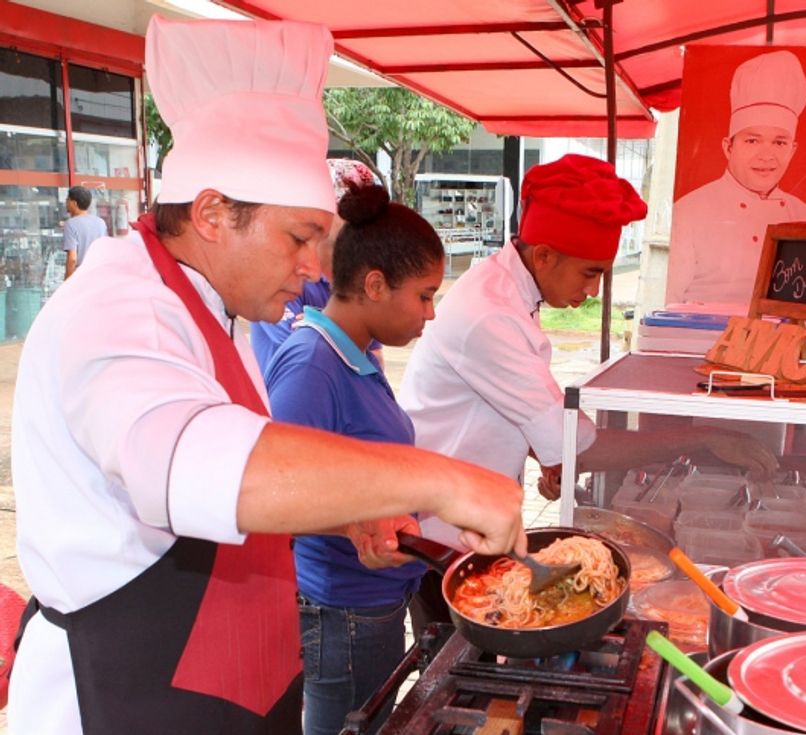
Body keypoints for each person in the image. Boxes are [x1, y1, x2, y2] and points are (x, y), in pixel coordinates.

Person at [9, 17, 525, 735]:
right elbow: (203, 463)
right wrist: (438, 477)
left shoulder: (217, 306)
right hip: (124, 697)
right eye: (300, 237)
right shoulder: (118, 309)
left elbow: (254, 470)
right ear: (216, 212)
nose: (315, 267)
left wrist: (348, 511)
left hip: (228, 687)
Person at [400, 154, 779, 515]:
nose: (595, 291)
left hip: (472, 502)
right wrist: (703, 438)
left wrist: (548, 454)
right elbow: (577, 447)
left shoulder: (508, 287)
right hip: (439, 525)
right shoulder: (490, 314)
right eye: (590, 273)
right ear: (545, 256)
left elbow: (524, 411)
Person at [263, 183, 440, 735]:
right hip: (341, 611)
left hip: (374, 602)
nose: (431, 314)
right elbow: (275, 494)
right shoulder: (312, 365)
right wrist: (356, 525)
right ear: (374, 285)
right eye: (425, 295)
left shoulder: (355, 353)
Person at [666, 50, 806, 307]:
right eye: (752, 140)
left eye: (779, 142)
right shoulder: (689, 212)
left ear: (793, 150)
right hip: (704, 343)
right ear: (728, 147)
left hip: (783, 344)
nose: (767, 155)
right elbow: (666, 304)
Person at [249, 158, 379, 373]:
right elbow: (308, 349)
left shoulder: (359, 273)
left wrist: (325, 326)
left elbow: (374, 359)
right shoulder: (280, 267)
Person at [62, 185, 108, 279]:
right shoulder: (101, 222)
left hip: (81, 277)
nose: (66, 202)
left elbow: (72, 259)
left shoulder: (70, 224)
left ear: (74, 203)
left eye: (68, 200)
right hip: (99, 275)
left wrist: (67, 282)